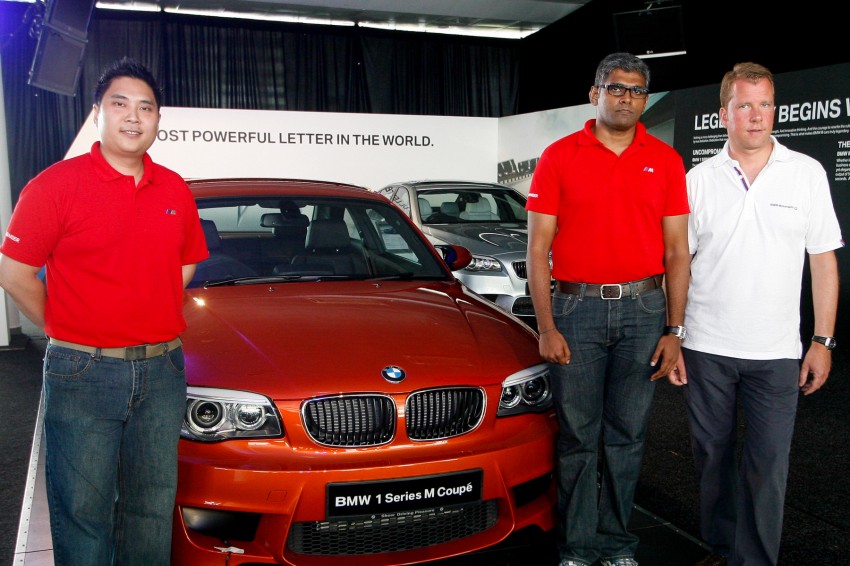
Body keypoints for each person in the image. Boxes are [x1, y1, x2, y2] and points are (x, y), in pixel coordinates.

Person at [0, 58, 209, 565]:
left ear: (158, 120)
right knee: (83, 510)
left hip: (162, 369)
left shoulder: (174, 190)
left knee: (150, 507)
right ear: (97, 114)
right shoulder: (54, 186)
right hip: (83, 370)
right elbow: (14, 273)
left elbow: (184, 266)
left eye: (146, 108)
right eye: (120, 104)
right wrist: (66, 326)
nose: (133, 117)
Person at [674, 62, 842, 566]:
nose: (756, 115)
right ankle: (722, 549)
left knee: (768, 465)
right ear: (723, 114)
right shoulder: (698, 180)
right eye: (744, 105)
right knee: (713, 458)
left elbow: (824, 262)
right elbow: (677, 264)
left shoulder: (806, 173)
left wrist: (823, 341)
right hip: (705, 346)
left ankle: (755, 561)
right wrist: (674, 334)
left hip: (776, 351)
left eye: (765, 104)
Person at [526, 52, 690, 566]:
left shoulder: (665, 160)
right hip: (576, 311)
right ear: (595, 93)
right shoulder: (559, 156)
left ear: (645, 99)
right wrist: (546, 326)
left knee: (628, 436)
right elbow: (537, 249)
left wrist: (675, 330)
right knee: (578, 437)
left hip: (644, 311)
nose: (626, 98)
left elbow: (677, 252)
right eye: (616, 88)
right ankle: (577, 547)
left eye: (636, 90)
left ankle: (617, 543)